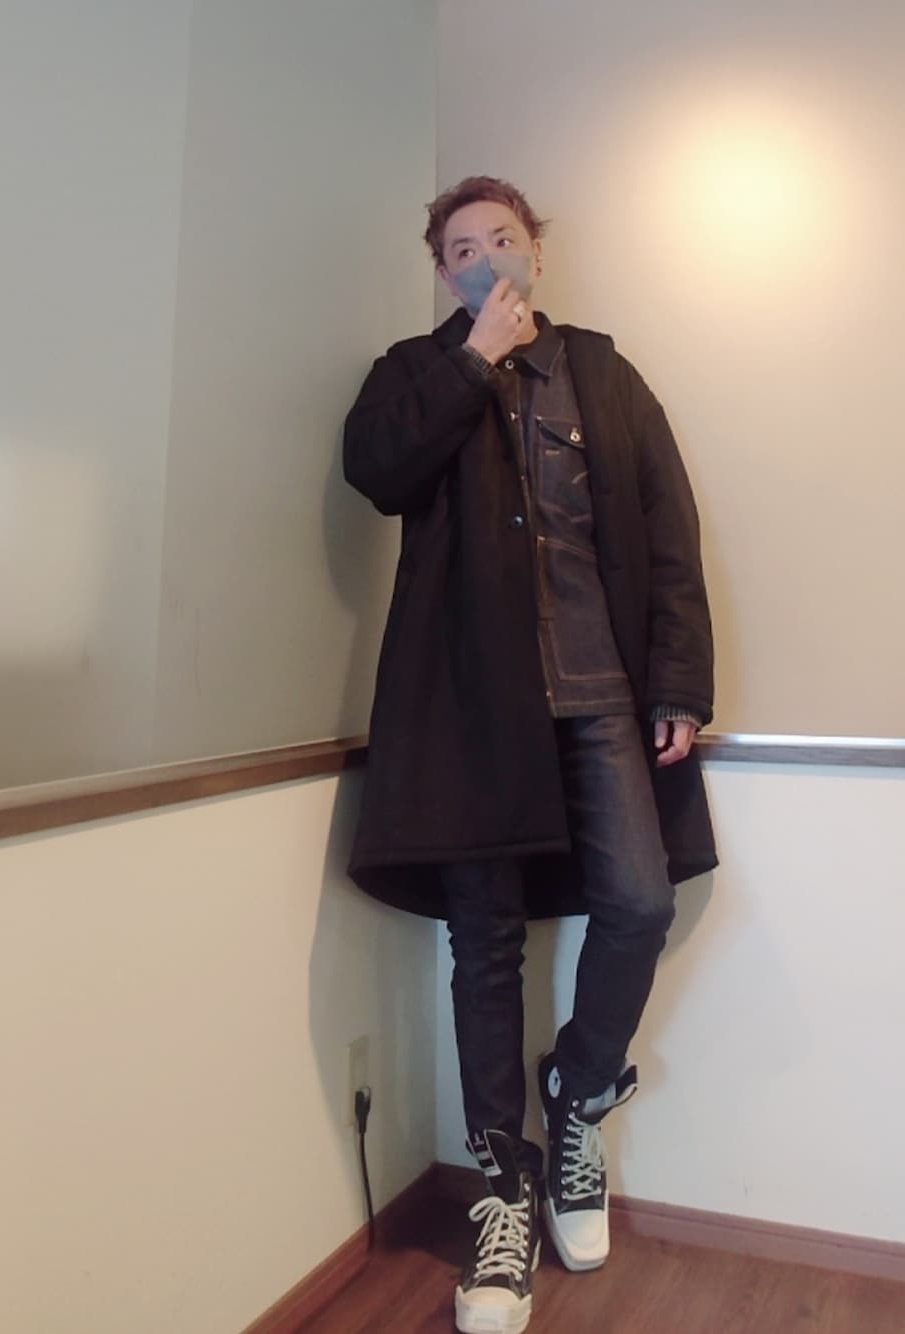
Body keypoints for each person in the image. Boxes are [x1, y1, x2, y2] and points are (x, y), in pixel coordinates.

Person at [342, 176, 717, 1334]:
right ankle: (503, 1188)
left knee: (639, 899)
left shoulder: (601, 372)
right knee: (485, 941)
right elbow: (377, 469)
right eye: (460, 247)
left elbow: (666, 529)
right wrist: (474, 362)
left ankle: (578, 1091)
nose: (483, 257)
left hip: (602, 695)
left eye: (500, 238)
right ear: (440, 271)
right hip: (470, 707)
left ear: (535, 253)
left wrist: (679, 681)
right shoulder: (416, 369)